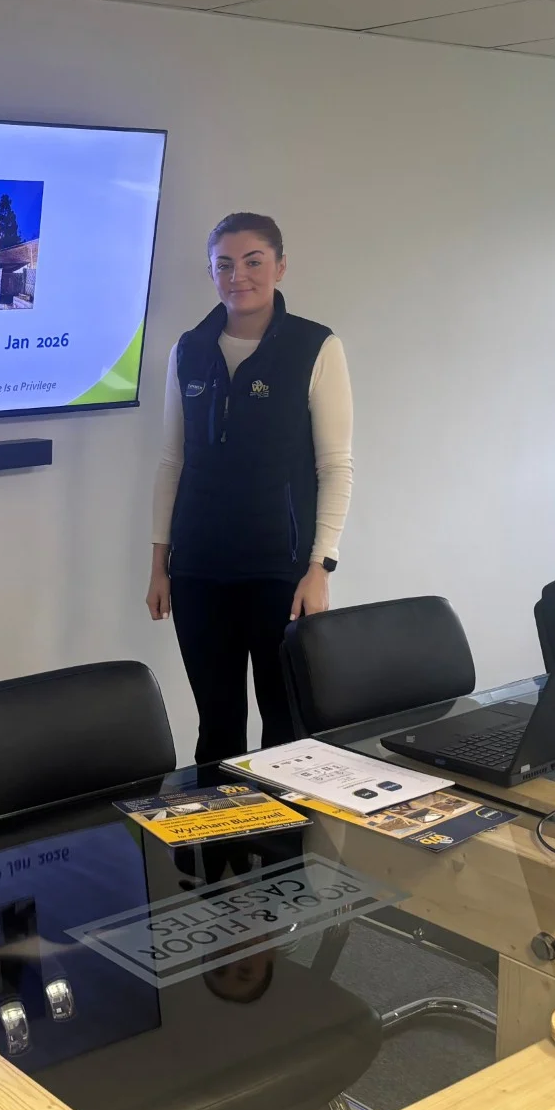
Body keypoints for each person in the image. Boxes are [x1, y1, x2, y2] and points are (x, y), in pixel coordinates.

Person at [147, 213, 353, 762]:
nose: (239, 276)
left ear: (280, 267)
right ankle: (220, 848)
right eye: (224, 264)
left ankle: (283, 848)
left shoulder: (315, 347)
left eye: (253, 261)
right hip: (198, 573)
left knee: (285, 728)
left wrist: (320, 568)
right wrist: (159, 565)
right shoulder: (188, 350)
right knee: (218, 727)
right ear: (212, 272)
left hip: (280, 574)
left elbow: (336, 467)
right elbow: (172, 461)